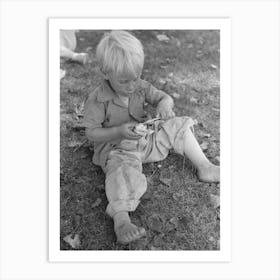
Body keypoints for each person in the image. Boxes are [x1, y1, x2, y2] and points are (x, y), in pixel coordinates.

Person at [83, 30, 220, 244]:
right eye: (124, 81)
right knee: (120, 171)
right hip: (118, 148)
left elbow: (164, 97)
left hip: (147, 141)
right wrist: (118, 132)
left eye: (135, 78)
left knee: (179, 124)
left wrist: (165, 104)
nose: (131, 86)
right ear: (105, 72)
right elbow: (91, 132)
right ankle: (121, 218)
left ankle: (205, 166)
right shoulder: (97, 99)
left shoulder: (140, 86)